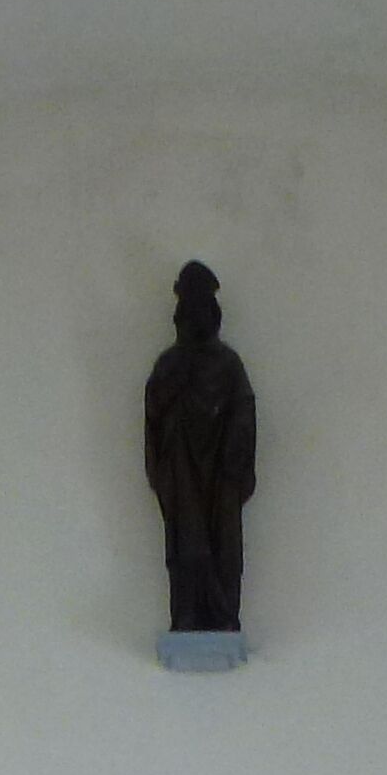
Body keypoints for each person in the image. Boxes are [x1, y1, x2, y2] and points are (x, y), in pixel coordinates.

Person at [144, 260, 257, 635]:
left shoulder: (228, 364)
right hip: (182, 474)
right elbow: (155, 418)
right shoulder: (169, 365)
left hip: (221, 474)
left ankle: (224, 612)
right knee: (188, 546)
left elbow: (244, 410)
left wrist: (234, 455)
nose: (194, 319)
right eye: (188, 311)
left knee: (224, 546)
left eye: (201, 311)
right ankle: (187, 612)